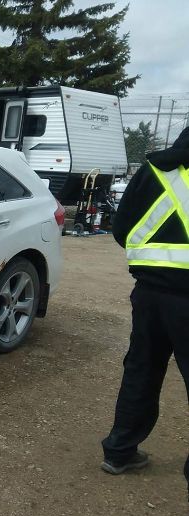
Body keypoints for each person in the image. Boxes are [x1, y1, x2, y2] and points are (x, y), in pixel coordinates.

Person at [101, 127, 189, 497]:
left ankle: (120, 451)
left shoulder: (153, 169)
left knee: (142, 369)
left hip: (150, 293)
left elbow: (121, 229)